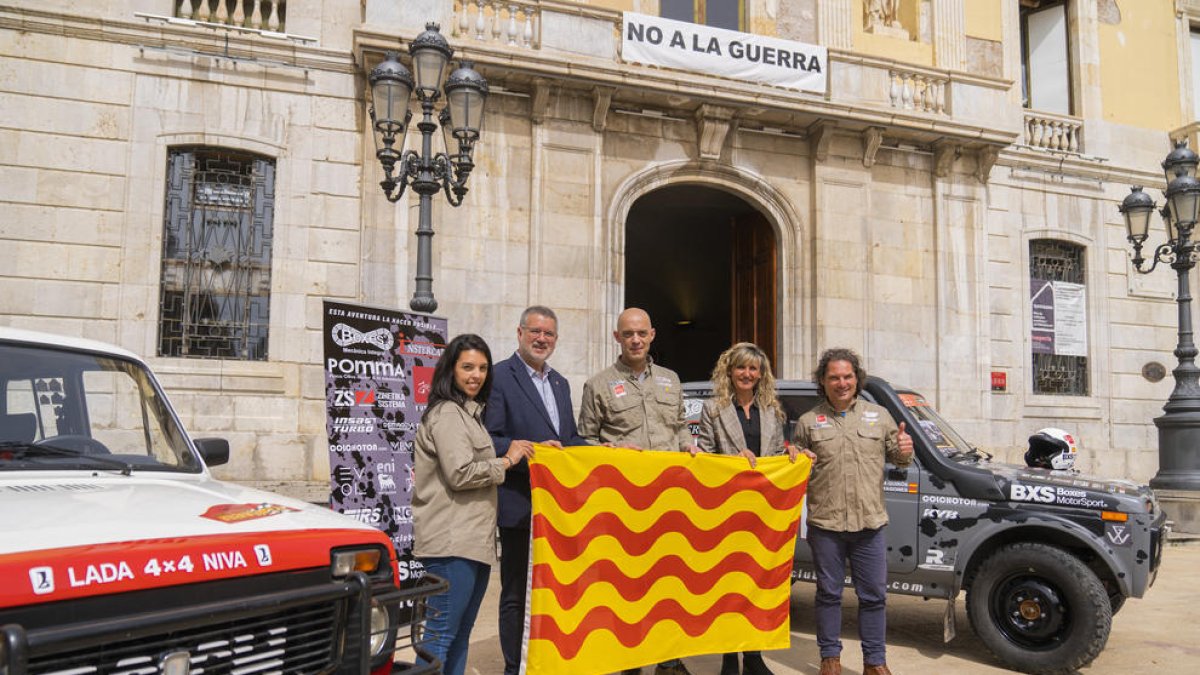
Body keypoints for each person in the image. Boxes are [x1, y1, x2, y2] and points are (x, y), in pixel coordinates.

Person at [577, 307, 699, 675]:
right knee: (627, 588)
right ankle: (629, 661)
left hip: (668, 502)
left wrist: (688, 445)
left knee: (669, 584)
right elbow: (584, 440)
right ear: (617, 337)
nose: (635, 340)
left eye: (641, 333)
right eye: (628, 334)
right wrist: (610, 451)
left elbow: (678, 427)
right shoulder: (598, 384)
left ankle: (669, 659)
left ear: (652, 336)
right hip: (623, 507)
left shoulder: (671, 380)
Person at [412, 334, 534, 675]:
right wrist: (507, 462)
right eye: (467, 367)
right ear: (450, 370)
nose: (475, 375)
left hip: (473, 543)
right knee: (440, 637)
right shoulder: (448, 413)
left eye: (482, 368)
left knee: (458, 635)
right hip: (452, 544)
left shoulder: (470, 415)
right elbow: (460, 473)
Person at [792, 348, 912, 675]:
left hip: (869, 525)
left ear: (857, 379)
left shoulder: (880, 416)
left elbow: (899, 458)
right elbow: (795, 467)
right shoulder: (807, 422)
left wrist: (904, 450)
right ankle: (830, 658)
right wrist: (793, 454)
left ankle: (875, 662)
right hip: (826, 525)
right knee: (828, 594)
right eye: (834, 377)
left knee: (873, 596)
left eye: (847, 376)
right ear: (823, 381)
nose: (841, 383)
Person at [484, 306, 586, 675]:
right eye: (536, 331)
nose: (542, 339)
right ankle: (515, 667)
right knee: (515, 593)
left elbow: (570, 440)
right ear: (520, 332)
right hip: (520, 505)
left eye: (550, 334)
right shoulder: (498, 377)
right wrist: (534, 452)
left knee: (553, 591)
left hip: (557, 509)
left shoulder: (560, 383)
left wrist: (613, 453)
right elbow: (490, 440)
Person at [696, 342, 791, 675]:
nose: (747, 374)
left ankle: (753, 656)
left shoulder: (772, 411)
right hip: (725, 512)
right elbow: (703, 459)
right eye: (741, 367)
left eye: (753, 369)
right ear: (730, 371)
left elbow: (778, 456)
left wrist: (793, 459)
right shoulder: (712, 409)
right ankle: (728, 658)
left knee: (757, 587)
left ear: (760, 374)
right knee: (727, 590)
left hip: (762, 514)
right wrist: (731, 464)